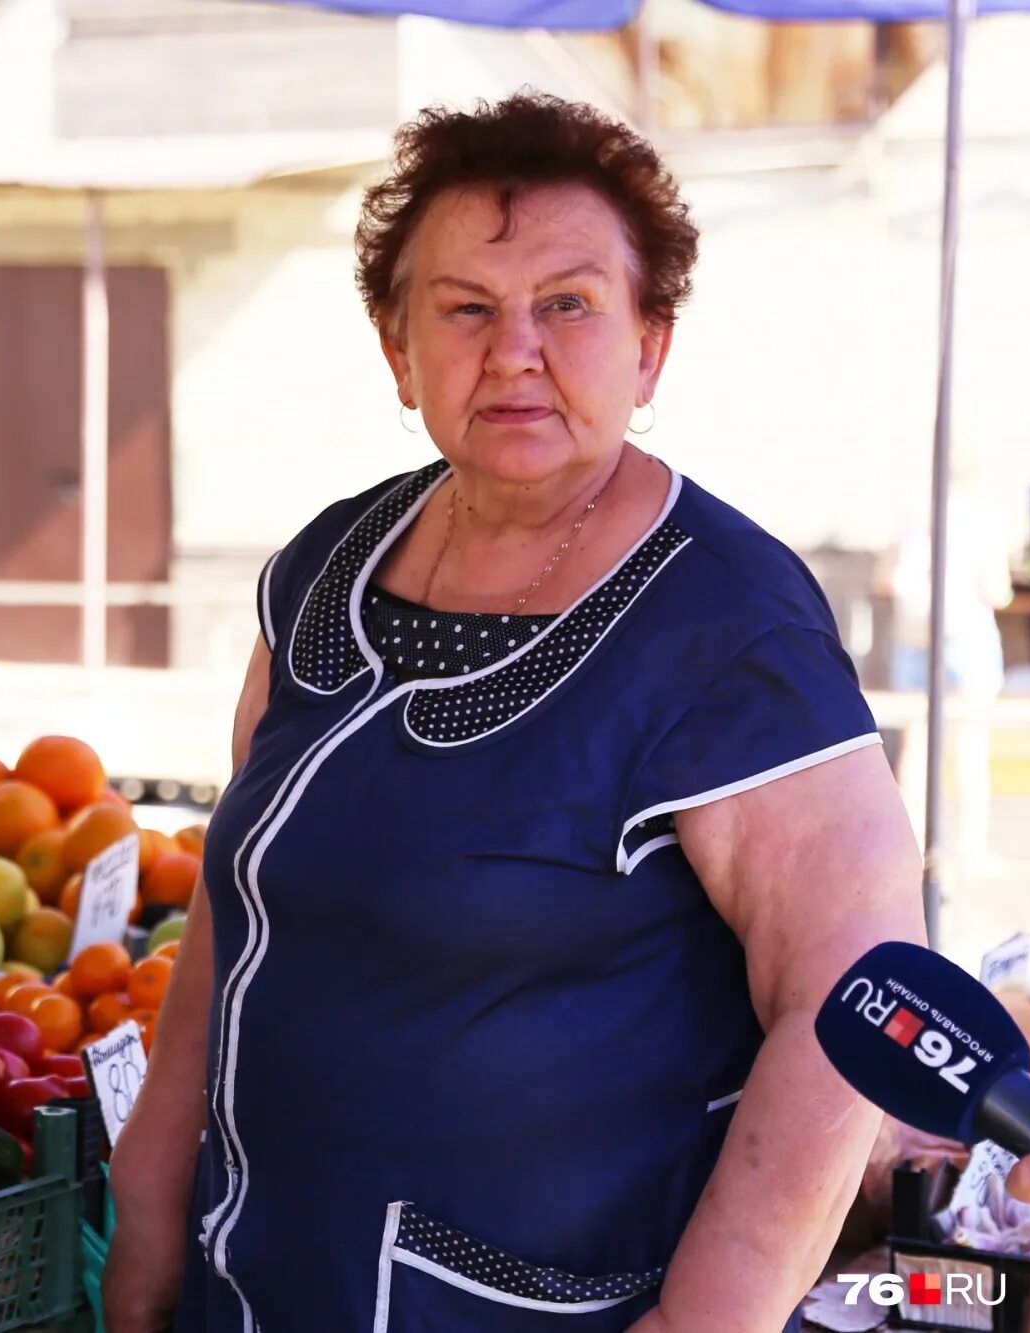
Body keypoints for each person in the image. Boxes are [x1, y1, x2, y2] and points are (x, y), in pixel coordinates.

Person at [102, 93, 925, 1333]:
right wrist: (151, 1208)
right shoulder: (324, 569)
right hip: (255, 1283)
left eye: (569, 305)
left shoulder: (727, 624)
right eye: (465, 309)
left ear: (649, 345)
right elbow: (236, 916)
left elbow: (850, 1002)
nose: (514, 352)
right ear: (397, 347)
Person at [884, 473, 1015, 877]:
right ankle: (970, 850)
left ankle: (914, 848)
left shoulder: (913, 518)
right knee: (971, 746)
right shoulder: (982, 520)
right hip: (967, 639)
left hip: (915, 637)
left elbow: (888, 580)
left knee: (916, 746)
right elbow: (998, 590)